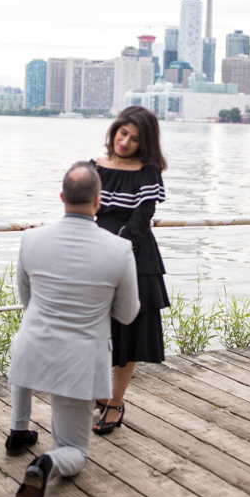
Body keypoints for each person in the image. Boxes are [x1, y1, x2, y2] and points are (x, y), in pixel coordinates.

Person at [6, 161, 140, 497]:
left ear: (62, 197)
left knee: (29, 340)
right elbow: (127, 314)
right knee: (75, 452)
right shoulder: (119, 249)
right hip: (78, 361)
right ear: (99, 201)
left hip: (30, 350)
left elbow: (27, 300)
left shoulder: (31, 239)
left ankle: (18, 431)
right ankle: (46, 462)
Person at [91, 105, 168, 436]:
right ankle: (98, 390)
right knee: (93, 327)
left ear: (144, 143)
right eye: (123, 133)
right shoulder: (92, 168)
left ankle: (116, 401)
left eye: (134, 139)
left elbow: (140, 221)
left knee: (128, 330)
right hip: (93, 252)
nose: (125, 142)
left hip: (135, 256)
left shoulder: (147, 173)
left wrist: (116, 251)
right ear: (115, 130)